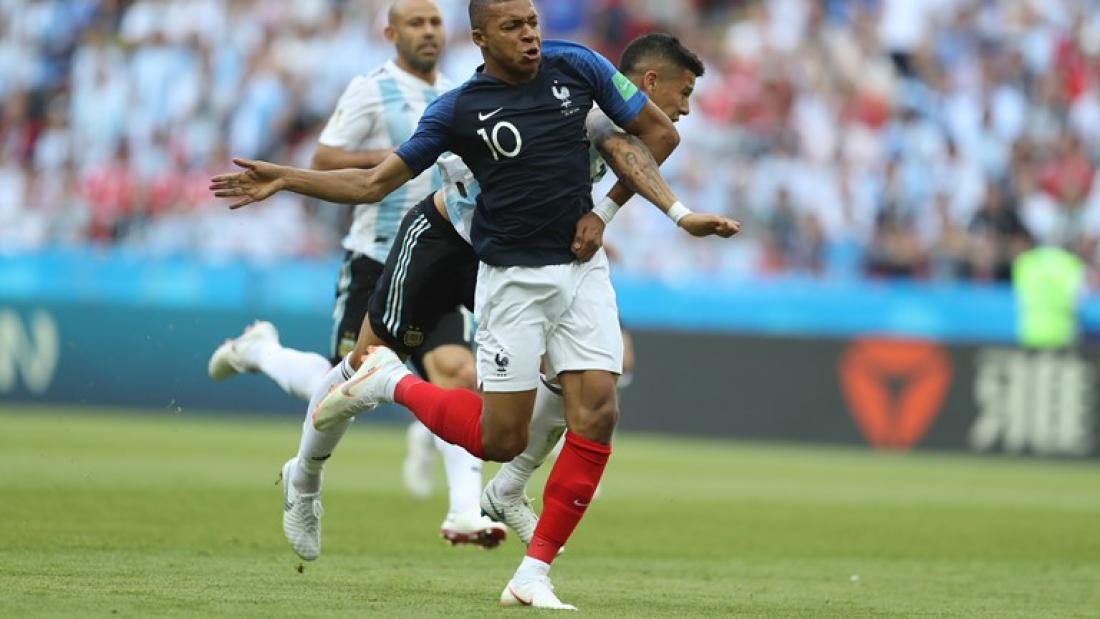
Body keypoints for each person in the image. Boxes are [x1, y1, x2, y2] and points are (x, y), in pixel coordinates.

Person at [211, 0, 736, 609]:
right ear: (482, 38)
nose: (531, 36)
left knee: (574, 390)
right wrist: (286, 177)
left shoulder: (580, 79)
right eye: (514, 27)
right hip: (444, 241)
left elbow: (641, 142)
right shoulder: (454, 107)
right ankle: (304, 477)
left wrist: (614, 214)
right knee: (355, 366)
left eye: (534, 23)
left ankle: (504, 497)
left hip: (525, 256)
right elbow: (371, 182)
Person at [205, 0, 505, 557]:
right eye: (415, 23)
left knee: (457, 371)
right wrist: (407, 153)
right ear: (391, 34)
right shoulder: (372, 89)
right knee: (347, 381)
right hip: (375, 256)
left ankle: (464, 509)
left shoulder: (461, 92)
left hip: (442, 255)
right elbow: (325, 157)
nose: (428, 32)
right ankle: (260, 352)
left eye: (434, 22)